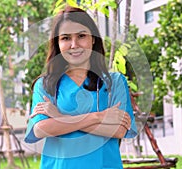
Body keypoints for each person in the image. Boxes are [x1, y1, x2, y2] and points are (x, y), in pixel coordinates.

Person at [24, 5, 137, 169]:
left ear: (93, 38)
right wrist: (99, 117)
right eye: (65, 38)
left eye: (81, 36)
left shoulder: (115, 82)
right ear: (57, 43)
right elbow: (41, 129)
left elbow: (119, 130)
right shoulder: (46, 84)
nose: (74, 44)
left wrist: (60, 117)